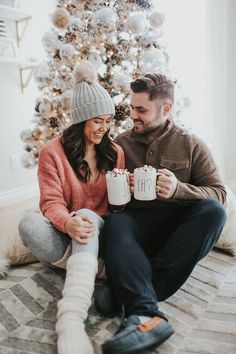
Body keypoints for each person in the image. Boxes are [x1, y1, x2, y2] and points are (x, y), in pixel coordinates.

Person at [100, 73, 227, 354]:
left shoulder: (192, 144)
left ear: (166, 108)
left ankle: (130, 293)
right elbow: (107, 200)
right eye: (132, 107)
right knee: (116, 223)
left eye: (141, 110)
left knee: (214, 212)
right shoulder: (121, 143)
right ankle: (145, 312)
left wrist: (180, 189)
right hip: (136, 230)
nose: (133, 115)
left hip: (177, 235)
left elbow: (219, 193)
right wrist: (123, 190)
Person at [18, 61, 125, 354]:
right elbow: (50, 203)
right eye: (97, 121)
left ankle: (70, 319)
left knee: (88, 216)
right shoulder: (52, 152)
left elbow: (117, 208)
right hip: (67, 231)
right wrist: (67, 223)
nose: (104, 128)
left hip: (99, 229)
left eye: (108, 120)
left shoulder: (115, 153)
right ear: (81, 120)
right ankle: (99, 270)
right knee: (27, 225)